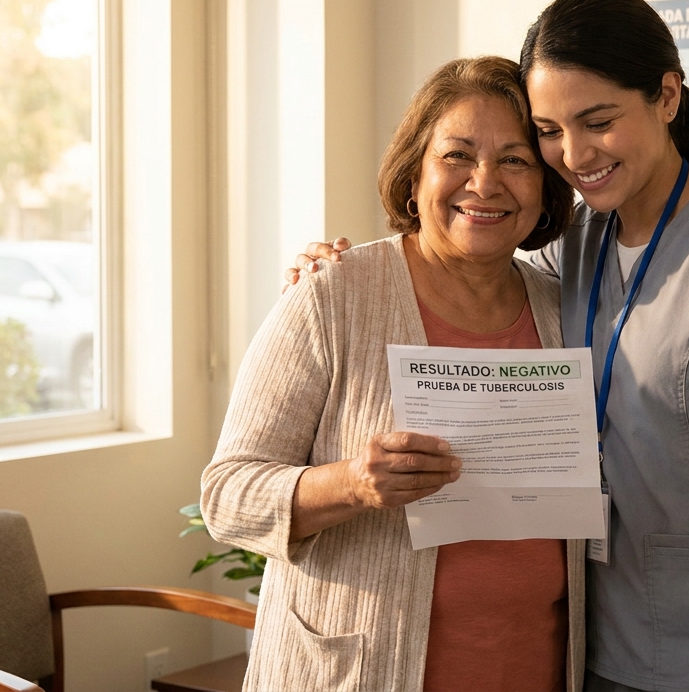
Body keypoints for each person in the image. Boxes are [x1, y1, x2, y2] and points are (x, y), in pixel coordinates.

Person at [291, 0, 689, 692]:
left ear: (668, 96)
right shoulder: (579, 244)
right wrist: (332, 267)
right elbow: (470, 263)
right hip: (600, 644)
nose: (574, 154)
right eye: (548, 129)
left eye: (597, 121)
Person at [204, 56, 582, 692]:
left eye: (515, 160)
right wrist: (353, 483)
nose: (484, 183)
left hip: (532, 667)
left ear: (545, 188)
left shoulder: (565, 312)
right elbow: (227, 496)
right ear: (414, 177)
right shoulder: (333, 295)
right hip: (358, 673)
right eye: (457, 155)